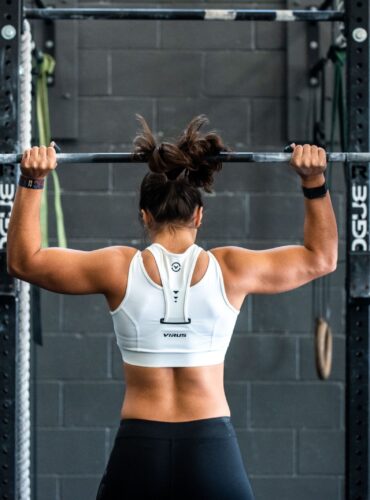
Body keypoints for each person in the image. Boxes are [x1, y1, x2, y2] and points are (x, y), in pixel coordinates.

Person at [7, 115, 338, 500]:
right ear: (199, 215)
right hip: (211, 447)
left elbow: (23, 261)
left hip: (139, 450)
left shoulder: (118, 268)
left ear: (144, 216)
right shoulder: (231, 268)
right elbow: (321, 258)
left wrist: (33, 181)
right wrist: (314, 182)